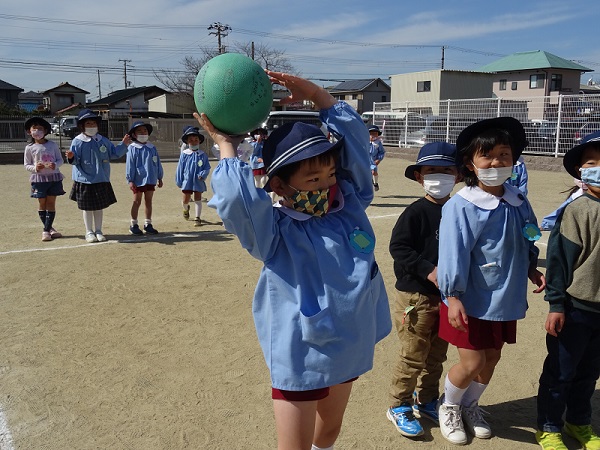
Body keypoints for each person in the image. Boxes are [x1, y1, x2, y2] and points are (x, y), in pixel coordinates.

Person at [194, 71, 391, 450]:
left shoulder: (349, 206)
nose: (327, 185)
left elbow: (356, 151)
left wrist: (321, 97)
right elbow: (237, 203)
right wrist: (226, 144)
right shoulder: (274, 232)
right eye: (313, 179)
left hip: (350, 341)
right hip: (302, 350)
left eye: (330, 175)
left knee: (328, 434)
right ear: (279, 185)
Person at [436, 117, 546, 445]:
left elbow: (528, 237)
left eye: (504, 154)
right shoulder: (462, 205)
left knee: (493, 356)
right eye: (487, 155)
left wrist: (530, 268)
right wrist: (452, 295)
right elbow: (453, 253)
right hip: (469, 297)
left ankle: (470, 404)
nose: (497, 161)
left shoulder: (517, 199)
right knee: (473, 360)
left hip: (504, 296)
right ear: (470, 163)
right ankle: (449, 405)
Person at [387, 142, 459, 438]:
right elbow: (398, 247)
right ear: (419, 177)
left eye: (446, 171)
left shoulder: (459, 209)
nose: (439, 176)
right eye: (432, 171)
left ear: (458, 175)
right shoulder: (416, 211)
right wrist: (429, 270)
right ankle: (399, 404)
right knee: (413, 353)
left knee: (437, 354)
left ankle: (427, 398)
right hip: (415, 296)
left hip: (447, 297)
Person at [535, 130, 600, 450]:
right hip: (576, 308)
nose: (599, 167)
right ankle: (548, 425)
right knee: (560, 372)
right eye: (592, 163)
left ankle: (578, 421)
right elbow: (559, 262)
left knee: (589, 372)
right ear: (580, 171)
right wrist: (556, 305)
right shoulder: (577, 210)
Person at [66, 109, 131, 243]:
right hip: (84, 180)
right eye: (88, 123)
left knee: (99, 207)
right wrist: (72, 157)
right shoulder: (77, 141)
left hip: (101, 178)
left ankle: (99, 230)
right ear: (82, 125)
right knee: (87, 208)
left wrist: (123, 144)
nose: (91, 126)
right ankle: (89, 231)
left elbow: (114, 154)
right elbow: (75, 160)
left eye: (93, 123)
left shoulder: (103, 140)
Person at [23, 117, 66, 241]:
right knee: (42, 203)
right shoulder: (29, 148)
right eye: (34, 128)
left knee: (51, 203)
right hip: (39, 179)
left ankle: (46, 230)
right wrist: (35, 167)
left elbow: (60, 159)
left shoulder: (52, 145)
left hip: (54, 178)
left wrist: (55, 165)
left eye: (40, 128)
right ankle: (49, 228)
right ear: (29, 131)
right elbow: (27, 165)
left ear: (46, 130)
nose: (37, 131)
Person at [125, 121, 164, 235]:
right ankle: (133, 224)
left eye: (145, 131)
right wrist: (130, 179)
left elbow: (157, 163)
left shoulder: (152, 147)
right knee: (136, 201)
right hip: (137, 179)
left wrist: (159, 177)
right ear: (134, 134)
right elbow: (130, 164)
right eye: (139, 131)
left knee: (148, 201)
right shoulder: (132, 148)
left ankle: (148, 224)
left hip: (151, 178)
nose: (143, 133)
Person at [175, 126, 211, 226]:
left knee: (198, 198)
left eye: (196, 140)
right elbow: (180, 168)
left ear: (199, 141)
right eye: (191, 140)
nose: (194, 142)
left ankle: (197, 218)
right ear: (187, 141)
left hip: (198, 181)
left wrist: (203, 174)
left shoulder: (202, 154)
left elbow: (207, 167)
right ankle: (185, 209)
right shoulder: (184, 154)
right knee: (186, 199)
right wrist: (179, 180)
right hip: (187, 181)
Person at [368, 124, 385, 191]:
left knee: (373, 172)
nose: (373, 136)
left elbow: (382, 152)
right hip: (365, 160)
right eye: (371, 134)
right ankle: (369, 183)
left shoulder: (378, 143)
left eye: (375, 134)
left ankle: (375, 183)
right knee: (366, 174)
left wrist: (378, 159)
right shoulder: (364, 142)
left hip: (373, 161)